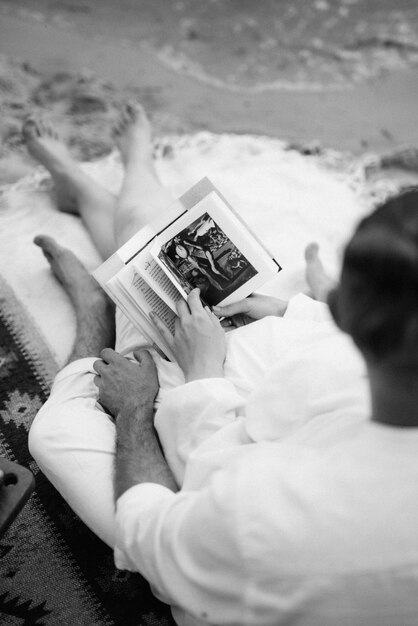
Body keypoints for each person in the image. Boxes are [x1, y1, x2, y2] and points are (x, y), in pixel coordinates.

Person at [27, 102, 407, 626]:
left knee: (56, 430)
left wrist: (143, 405)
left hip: (223, 552)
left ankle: (97, 307)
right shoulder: (367, 394)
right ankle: (96, 187)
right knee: (155, 253)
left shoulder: (271, 516)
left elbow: (154, 535)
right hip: (274, 430)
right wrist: (290, 309)